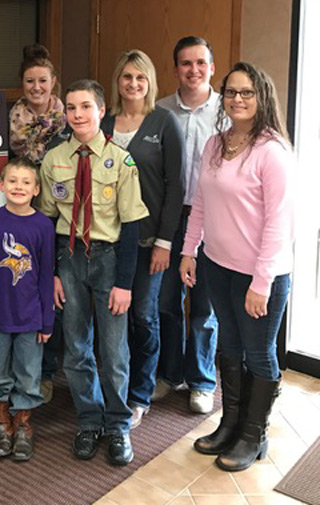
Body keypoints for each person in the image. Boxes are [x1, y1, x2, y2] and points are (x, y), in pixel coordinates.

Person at [180, 62, 294, 472]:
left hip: (260, 275)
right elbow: (201, 205)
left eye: (246, 92)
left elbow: (279, 223)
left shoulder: (272, 152)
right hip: (217, 265)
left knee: (259, 353)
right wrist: (189, 251)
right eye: (231, 92)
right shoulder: (215, 144)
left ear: (261, 97)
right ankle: (230, 423)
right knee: (228, 346)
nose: (237, 99)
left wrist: (261, 282)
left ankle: (253, 435)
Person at [39, 79, 149, 466]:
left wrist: (124, 283)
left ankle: (118, 424)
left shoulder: (121, 160)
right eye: (71, 108)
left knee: (114, 350)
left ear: (102, 111)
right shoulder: (55, 159)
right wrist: (52, 273)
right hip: (69, 259)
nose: (78, 115)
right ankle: (88, 419)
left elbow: (132, 226)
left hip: (108, 259)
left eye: (86, 107)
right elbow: (48, 219)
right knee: (76, 346)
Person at [101, 49, 185, 429]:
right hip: (106, 241)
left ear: (150, 82)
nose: (133, 84)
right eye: (126, 77)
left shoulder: (164, 122)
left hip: (149, 242)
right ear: (117, 81)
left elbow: (175, 186)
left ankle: (140, 393)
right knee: (109, 319)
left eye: (141, 78)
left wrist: (166, 242)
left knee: (142, 316)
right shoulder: (102, 122)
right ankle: (113, 388)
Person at [0, 158, 55, 462]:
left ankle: (23, 426)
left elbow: (47, 276)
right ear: (2, 186)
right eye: (13, 181)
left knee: (29, 374)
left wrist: (47, 321)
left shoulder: (43, 225)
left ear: (36, 189)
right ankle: (3, 424)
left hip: (31, 317)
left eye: (25, 182)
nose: (18, 186)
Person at [155, 36, 220, 414]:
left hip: (213, 217)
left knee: (204, 304)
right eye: (185, 63)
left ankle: (201, 380)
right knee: (166, 299)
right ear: (175, 68)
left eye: (200, 63)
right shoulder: (162, 110)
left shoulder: (227, 111)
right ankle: (170, 373)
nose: (193, 70)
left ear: (212, 67)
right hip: (171, 216)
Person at [9, 43, 67, 404]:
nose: (36, 87)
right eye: (30, 81)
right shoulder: (10, 118)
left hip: (60, 211)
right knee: (25, 284)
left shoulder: (68, 116)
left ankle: (49, 369)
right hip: (24, 209)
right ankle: (24, 367)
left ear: (53, 82)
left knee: (55, 289)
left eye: (42, 80)